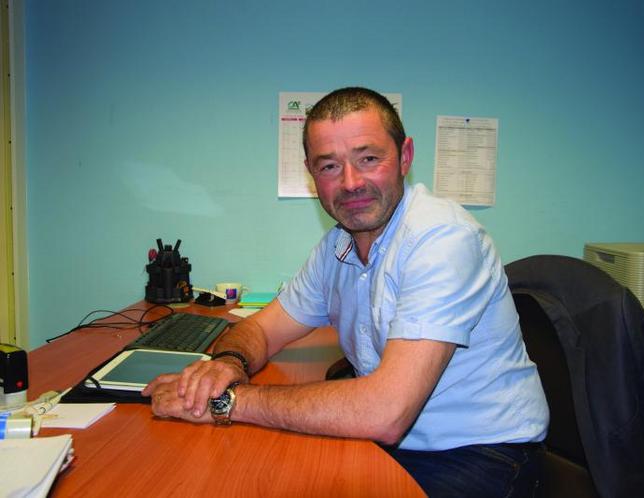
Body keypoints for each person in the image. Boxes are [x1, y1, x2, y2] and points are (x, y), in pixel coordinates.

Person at [144, 87, 549, 497]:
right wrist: (228, 363)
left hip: (480, 454)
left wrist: (230, 402)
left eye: (368, 158)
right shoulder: (336, 247)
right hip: (391, 443)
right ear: (311, 173)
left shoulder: (442, 239)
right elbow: (262, 329)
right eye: (329, 166)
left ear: (405, 157)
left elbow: (385, 412)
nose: (351, 183)